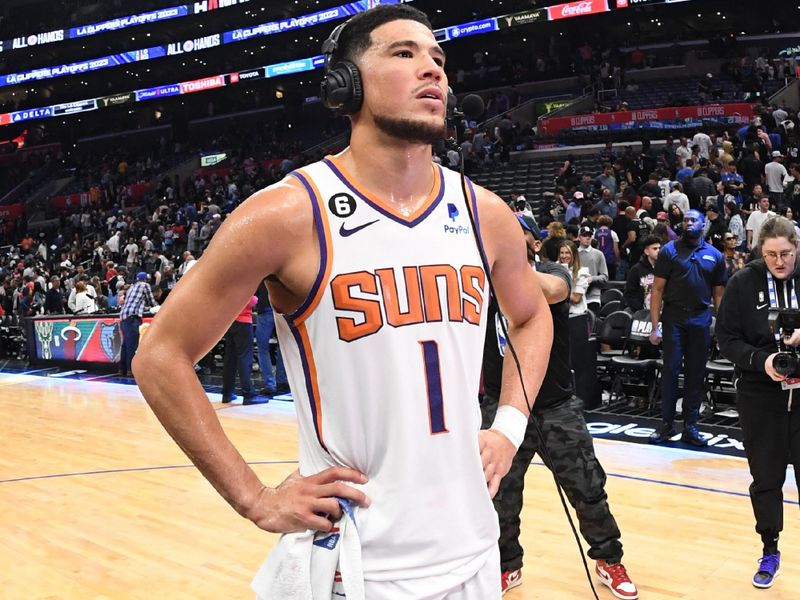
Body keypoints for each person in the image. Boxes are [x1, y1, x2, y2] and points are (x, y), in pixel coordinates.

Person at [131, 5, 552, 598]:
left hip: (474, 552)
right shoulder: (286, 213)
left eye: (438, 59)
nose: (432, 70)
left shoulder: (485, 213)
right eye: (403, 54)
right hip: (353, 565)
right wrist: (256, 499)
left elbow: (531, 315)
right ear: (345, 84)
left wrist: (508, 427)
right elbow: (159, 356)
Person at [481, 223, 638, 599]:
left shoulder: (552, 272)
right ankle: (507, 566)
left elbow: (556, 290)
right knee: (498, 496)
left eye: (515, 243)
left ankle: (608, 559)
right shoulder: (476, 286)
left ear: (534, 245)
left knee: (587, 490)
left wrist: (505, 268)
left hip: (555, 408)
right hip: (502, 410)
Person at [716, 216, 800, 589]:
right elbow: (726, 339)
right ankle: (770, 549)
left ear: (796, 248)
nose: (779, 262)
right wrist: (761, 361)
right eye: (770, 255)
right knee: (765, 478)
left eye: (785, 253)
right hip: (759, 394)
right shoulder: (743, 282)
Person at [648, 209, 726, 445]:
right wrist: (654, 326)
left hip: (701, 318)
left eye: (693, 220)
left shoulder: (715, 255)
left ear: (703, 225)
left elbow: (719, 296)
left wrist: (721, 329)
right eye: (686, 220)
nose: (688, 223)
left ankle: (691, 426)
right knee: (671, 370)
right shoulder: (669, 250)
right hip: (674, 317)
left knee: (696, 373)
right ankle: (666, 425)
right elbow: (657, 290)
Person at [221, 294, 263, 405]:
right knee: (245, 358)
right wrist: (255, 299)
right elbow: (251, 301)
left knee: (230, 358)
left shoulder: (228, 283)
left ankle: (227, 393)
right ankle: (248, 394)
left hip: (229, 322)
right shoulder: (243, 283)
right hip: (243, 322)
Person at [254, 280, 289, 396]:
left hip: (264, 310)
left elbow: (255, 293)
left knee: (262, 348)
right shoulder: (280, 269)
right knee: (282, 346)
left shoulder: (260, 271)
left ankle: (270, 384)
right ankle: (282, 380)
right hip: (280, 309)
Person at [119, 271, 157, 377]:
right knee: (132, 345)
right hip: (132, 318)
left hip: (123, 316)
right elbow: (151, 300)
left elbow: (136, 303)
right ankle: (131, 370)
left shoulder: (132, 287)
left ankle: (122, 369)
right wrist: (159, 307)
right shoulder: (145, 285)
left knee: (125, 345)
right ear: (146, 279)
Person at [624, 235, 661, 312]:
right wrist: (639, 310)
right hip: (642, 313)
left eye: (660, 248)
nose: (658, 251)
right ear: (646, 251)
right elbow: (629, 293)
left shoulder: (665, 268)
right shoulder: (636, 269)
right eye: (655, 248)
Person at [576, 225, 608, 312]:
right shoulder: (573, 254)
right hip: (576, 296)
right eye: (584, 235)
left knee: (593, 323)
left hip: (593, 296)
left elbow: (605, 277)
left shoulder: (598, 254)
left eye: (589, 236)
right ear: (579, 238)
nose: (587, 238)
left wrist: (592, 278)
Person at [559, 240, 590, 316]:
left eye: (567, 253)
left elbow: (576, 298)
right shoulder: (555, 268)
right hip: (559, 313)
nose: (564, 256)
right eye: (562, 253)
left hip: (576, 313)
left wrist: (557, 292)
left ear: (574, 254)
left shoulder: (582, 272)